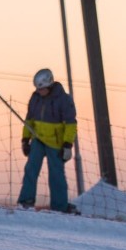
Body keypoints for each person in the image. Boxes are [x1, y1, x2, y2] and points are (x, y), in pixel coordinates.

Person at [17, 68, 78, 213]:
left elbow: (70, 124)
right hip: (38, 140)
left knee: (56, 174)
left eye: (42, 89)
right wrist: (25, 139)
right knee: (31, 169)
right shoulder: (35, 98)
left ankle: (59, 206)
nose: (40, 92)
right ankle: (26, 201)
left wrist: (68, 145)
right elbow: (29, 120)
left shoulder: (64, 100)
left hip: (56, 143)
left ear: (49, 85)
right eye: (38, 89)